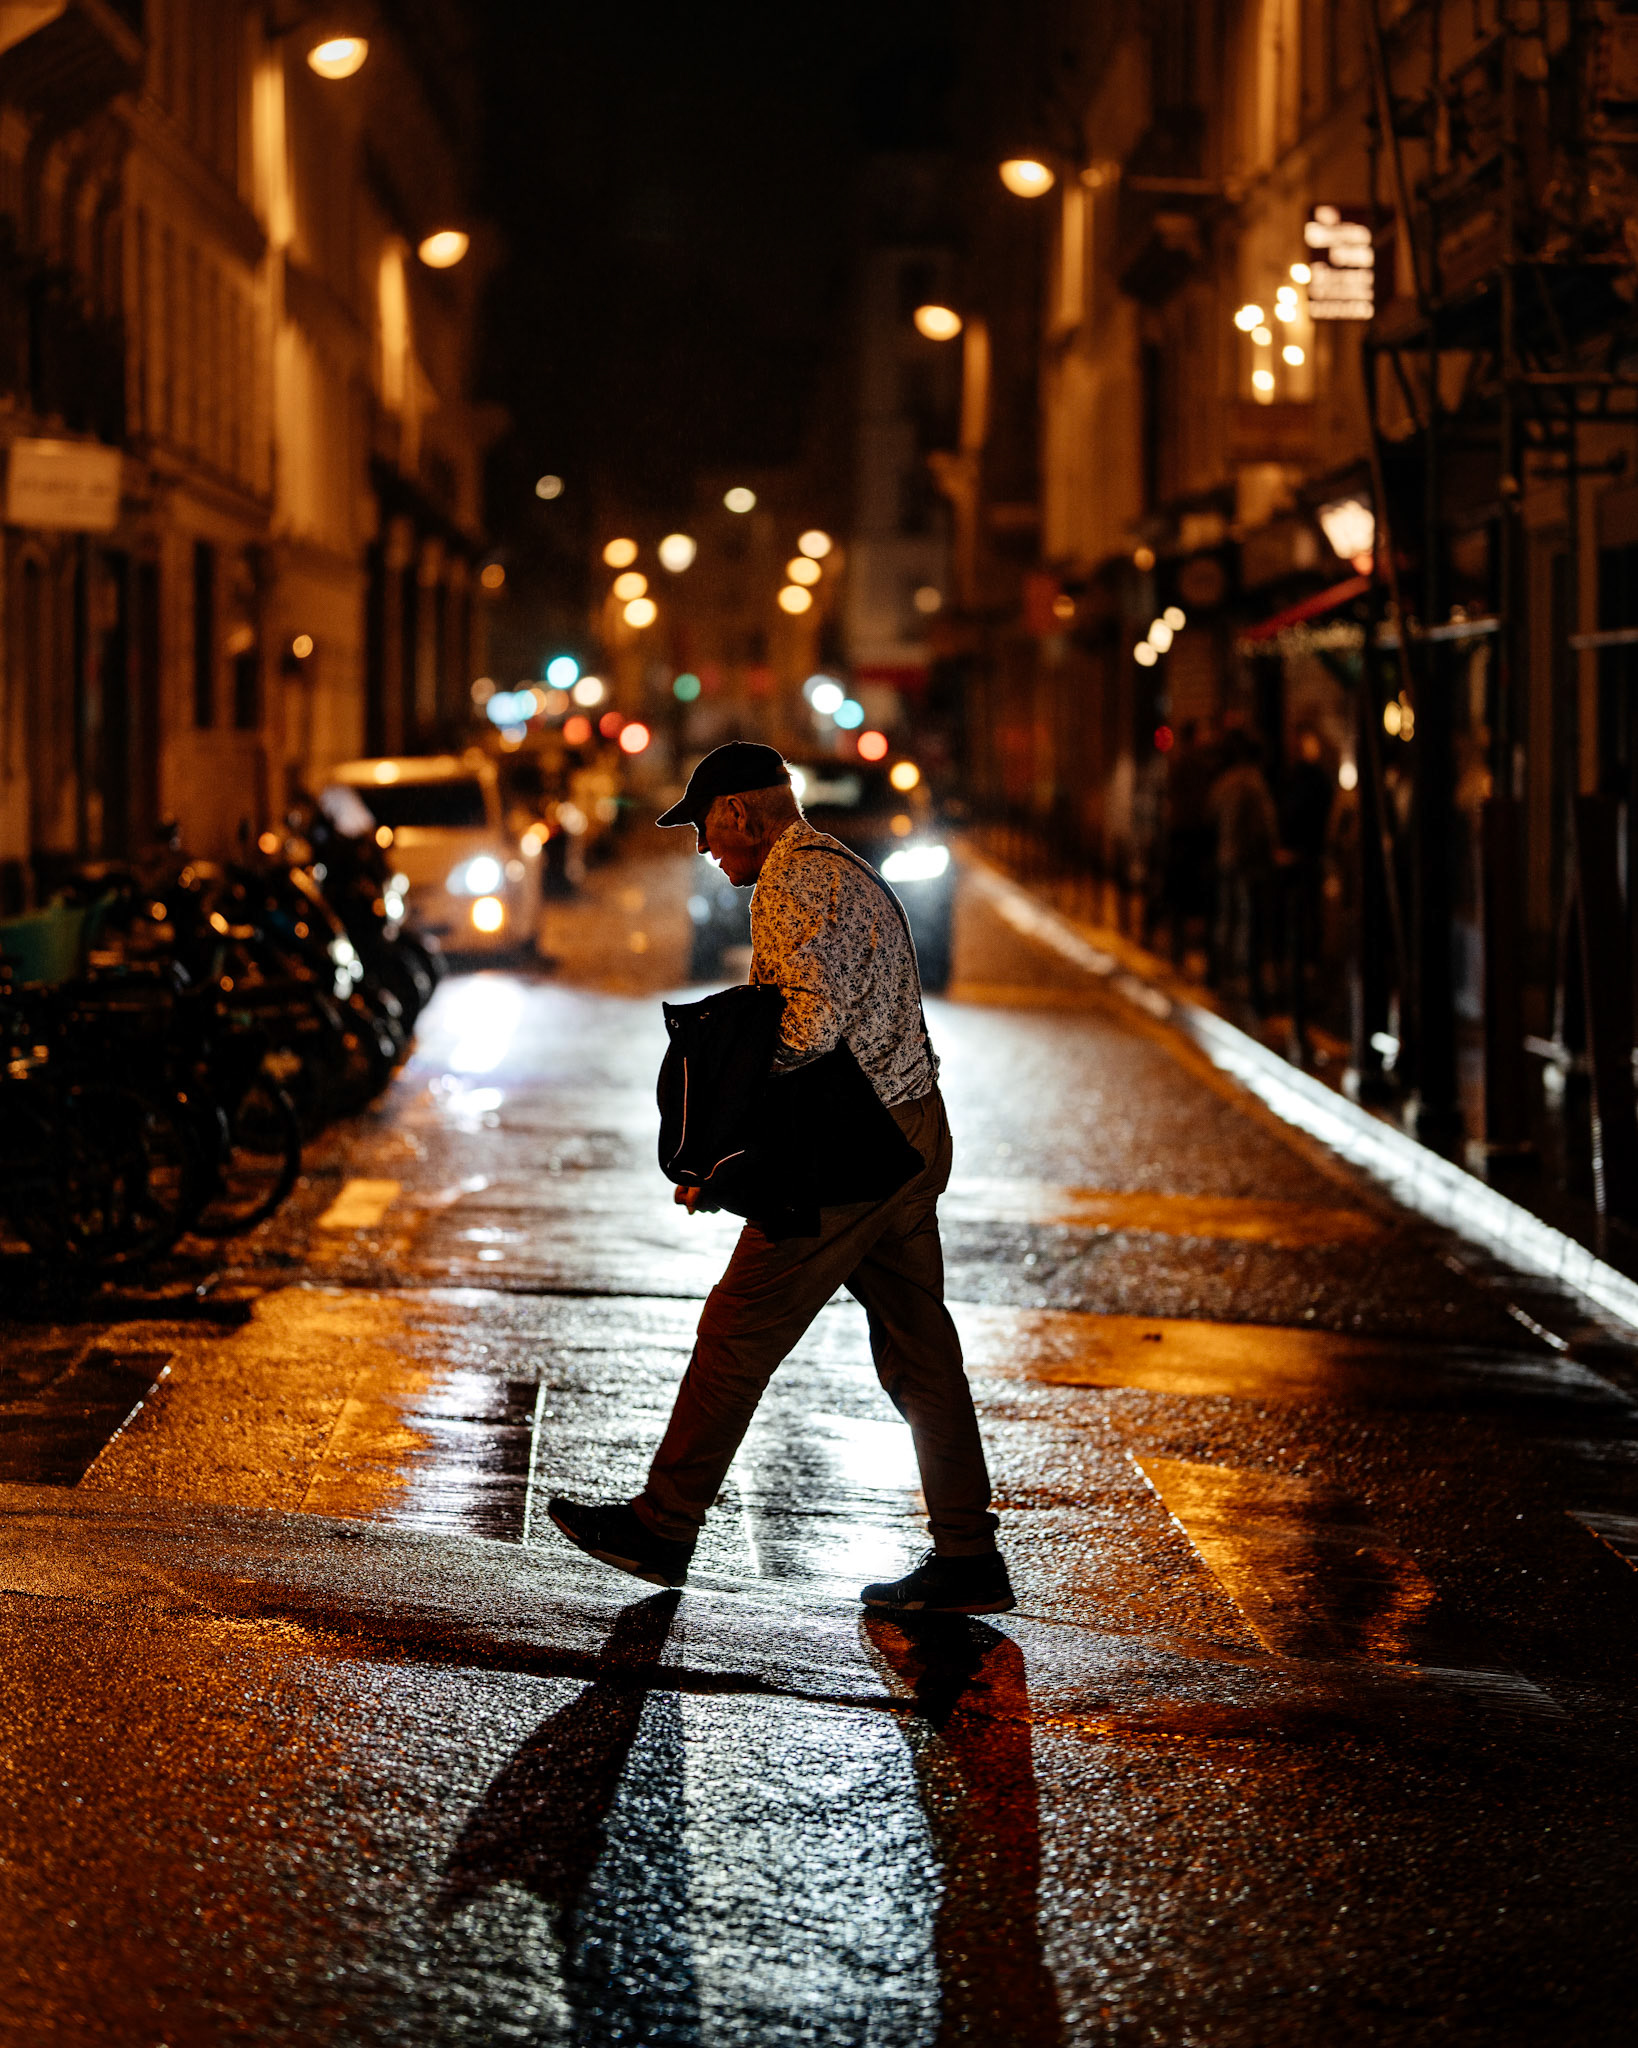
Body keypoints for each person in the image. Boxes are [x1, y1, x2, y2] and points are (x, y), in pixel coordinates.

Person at [549, 740, 1013, 1616]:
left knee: (737, 1326)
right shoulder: (836, 863)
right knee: (918, 1348)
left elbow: (804, 1031)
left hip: (857, 1149)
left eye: (705, 829)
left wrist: (730, 1143)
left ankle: (664, 1522)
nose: (702, 848)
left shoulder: (793, 883)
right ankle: (968, 1554)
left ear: (739, 813)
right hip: (910, 1128)